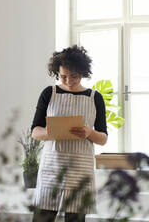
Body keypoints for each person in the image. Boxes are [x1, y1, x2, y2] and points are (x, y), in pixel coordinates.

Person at [31, 45, 108, 222]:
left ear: (82, 73)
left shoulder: (94, 97)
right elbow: (35, 131)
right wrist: (51, 132)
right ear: (57, 72)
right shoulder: (49, 93)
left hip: (80, 168)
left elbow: (103, 138)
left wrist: (89, 132)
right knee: (42, 218)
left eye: (73, 76)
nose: (68, 81)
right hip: (52, 166)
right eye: (63, 76)